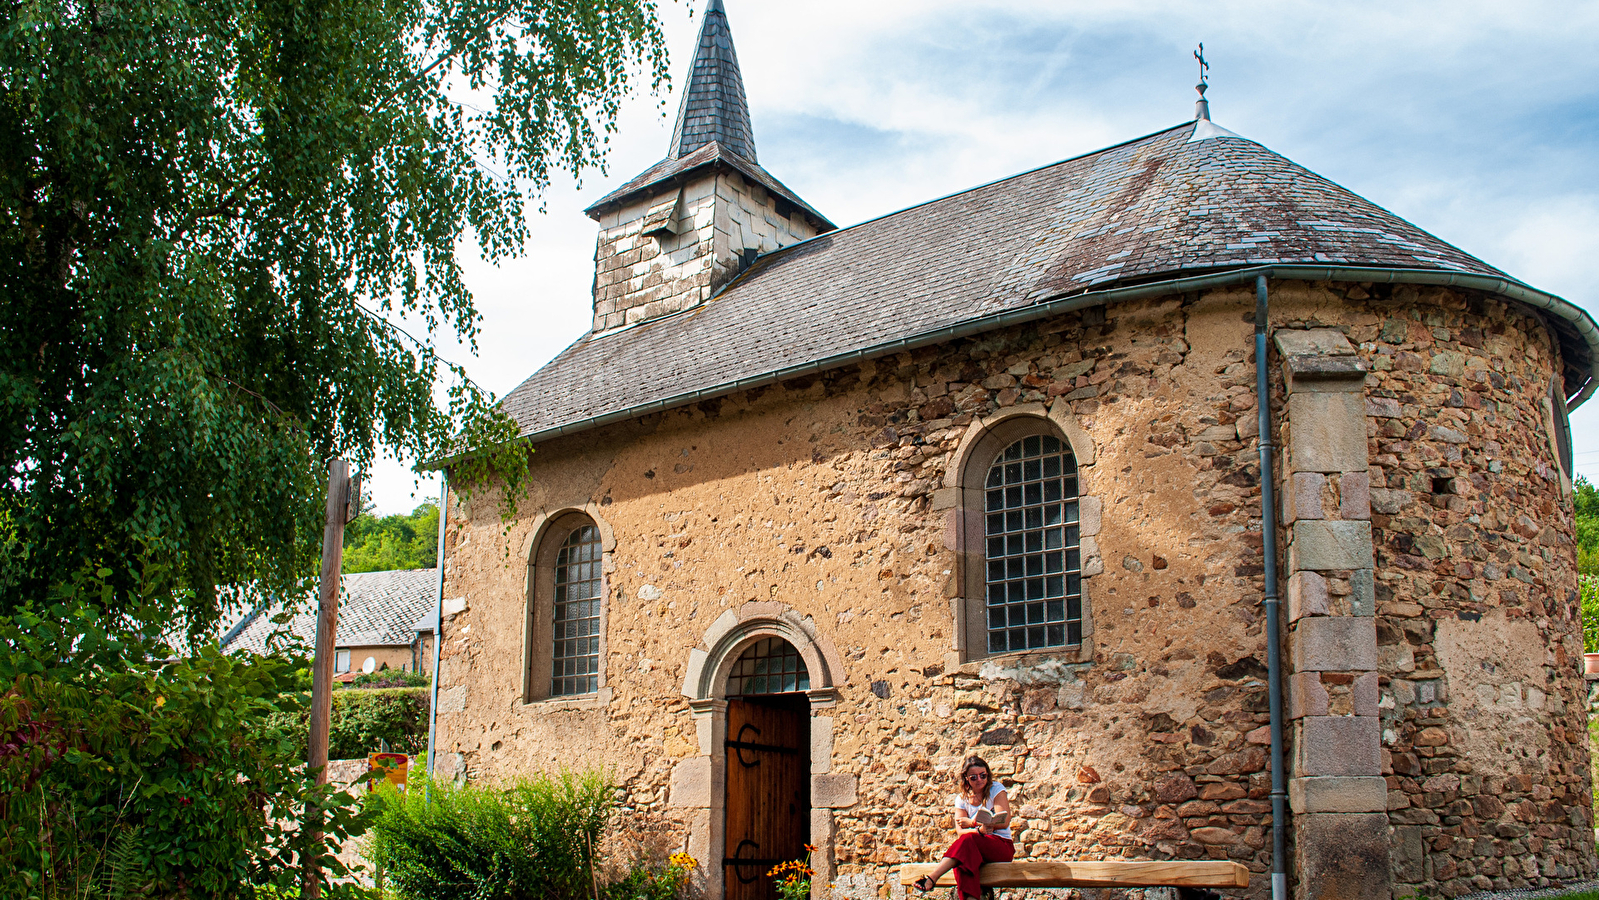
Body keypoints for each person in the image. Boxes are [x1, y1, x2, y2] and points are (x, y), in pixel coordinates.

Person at [912, 755, 1014, 900]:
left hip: (1001, 845)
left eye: (983, 775)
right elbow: (960, 832)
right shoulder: (961, 799)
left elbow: (1004, 821)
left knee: (968, 841)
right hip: (974, 848)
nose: (979, 780)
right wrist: (980, 831)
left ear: (988, 774)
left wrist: (972, 823)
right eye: (974, 777)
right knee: (964, 861)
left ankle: (932, 878)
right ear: (966, 778)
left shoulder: (996, 789)